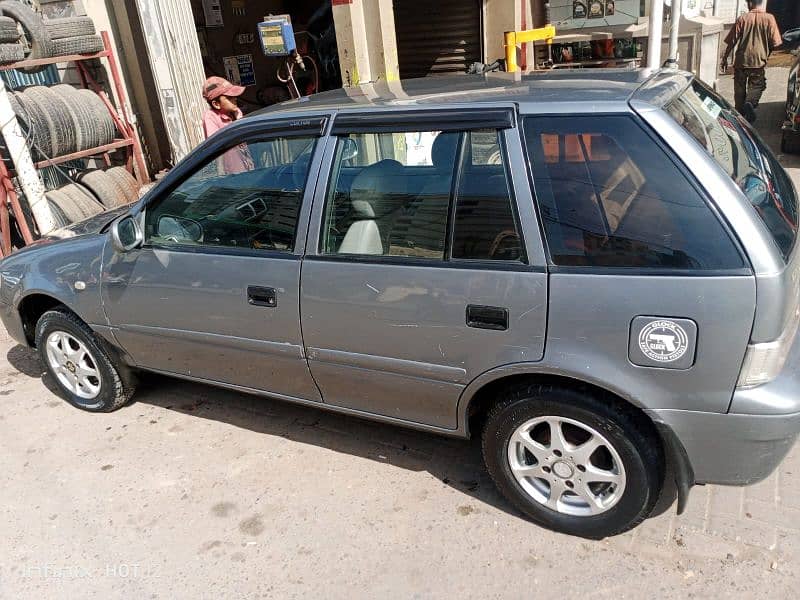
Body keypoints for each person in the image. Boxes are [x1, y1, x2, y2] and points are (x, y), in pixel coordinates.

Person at [720, 0, 782, 124]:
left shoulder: (742, 18)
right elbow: (776, 43)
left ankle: (739, 116)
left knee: (739, 91)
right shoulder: (770, 18)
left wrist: (725, 58)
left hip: (741, 61)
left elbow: (732, 41)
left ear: (749, 3)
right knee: (758, 85)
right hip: (758, 61)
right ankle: (750, 102)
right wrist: (767, 53)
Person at [200, 76, 253, 174]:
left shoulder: (235, 113)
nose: (234, 99)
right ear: (216, 104)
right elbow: (216, 143)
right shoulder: (210, 117)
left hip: (247, 167)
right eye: (229, 98)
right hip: (231, 173)